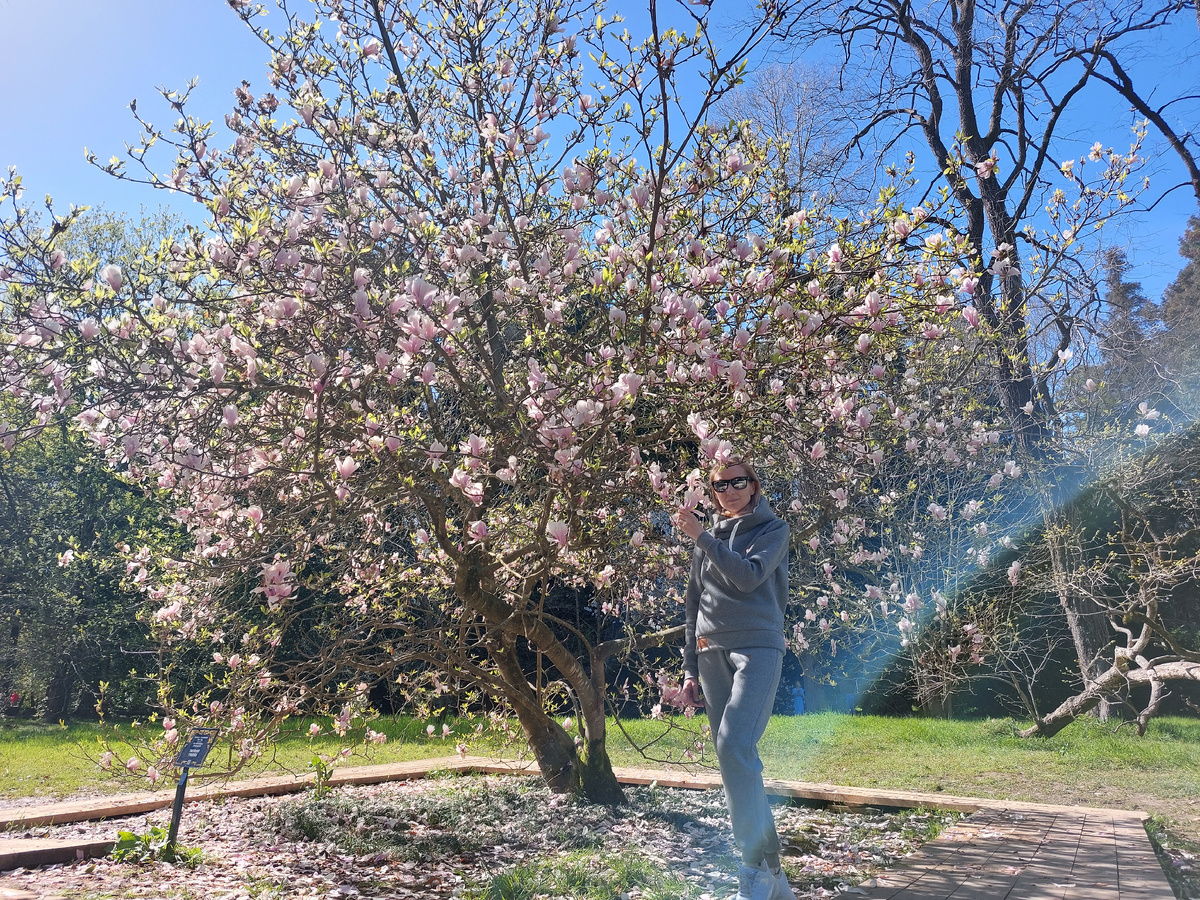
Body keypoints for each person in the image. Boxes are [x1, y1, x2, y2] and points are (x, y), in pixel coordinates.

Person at [673, 458, 791, 900]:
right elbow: (692, 609)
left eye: (738, 481)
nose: (730, 490)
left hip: (757, 648)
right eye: (720, 485)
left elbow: (748, 577)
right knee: (738, 761)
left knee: (734, 744)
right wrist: (688, 671)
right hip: (709, 654)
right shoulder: (705, 542)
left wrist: (700, 536)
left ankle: (750, 868)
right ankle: (772, 874)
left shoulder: (773, 531)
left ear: (754, 485)